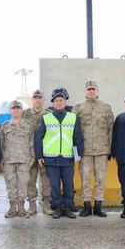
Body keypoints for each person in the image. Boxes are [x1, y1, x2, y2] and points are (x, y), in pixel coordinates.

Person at [35, 88, 84, 219]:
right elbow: (38, 137)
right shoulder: (46, 118)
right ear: (53, 103)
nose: (59, 102)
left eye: (61, 100)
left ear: (65, 102)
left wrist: (78, 154)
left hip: (68, 157)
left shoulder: (73, 117)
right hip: (50, 158)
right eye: (56, 100)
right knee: (55, 185)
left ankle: (68, 208)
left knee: (68, 184)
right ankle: (57, 208)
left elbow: (77, 137)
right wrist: (39, 155)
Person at [74, 80, 114, 217]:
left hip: (101, 150)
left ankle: (98, 206)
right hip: (84, 151)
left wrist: (110, 149)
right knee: (85, 178)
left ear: (97, 91)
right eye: (89, 89)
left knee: (100, 179)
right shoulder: (78, 108)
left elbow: (111, 129)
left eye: (93, 89)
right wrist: (76, 150)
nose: (91, 91)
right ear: (85, 92)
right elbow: (74, 130)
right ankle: (86, 206)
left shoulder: (106, 107)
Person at [0, 100, 34, 218]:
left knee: (23, 184)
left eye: (18, 108)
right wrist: (1, 159)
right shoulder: (4, 126)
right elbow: (1, 144)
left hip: (24, 160)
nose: (16, 110)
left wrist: (32, 158)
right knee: (11, 184)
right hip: (9, 161)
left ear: (21, 110)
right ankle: (12, 208)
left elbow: (32, 143)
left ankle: (22, 208)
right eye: (13, 108)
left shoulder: (28, 126)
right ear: (10, 110)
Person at [22, 89, 53, 215]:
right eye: (35, 97)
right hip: (29, 152)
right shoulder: (25, 114)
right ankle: (32, 206)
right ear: (32, 100)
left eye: (40, 97)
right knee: (30, 180)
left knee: (46, 180)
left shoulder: (50, 114)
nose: (37, 99)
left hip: (45, 151)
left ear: (43, 100)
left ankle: (46, 205)